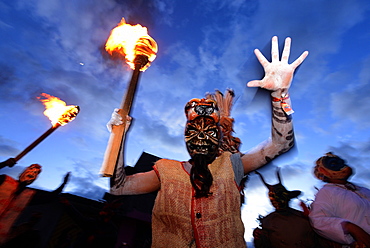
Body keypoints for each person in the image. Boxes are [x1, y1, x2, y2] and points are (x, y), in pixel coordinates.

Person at [108, 36, 308, 247]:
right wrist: (118, 136)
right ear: (185, 135)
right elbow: (119, 186)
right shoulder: (166, 171)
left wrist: (280, 94)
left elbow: (280, 144)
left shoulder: (232, 166)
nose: (202, 134)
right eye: (195, 128)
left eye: (209, 128)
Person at [309, 152, 370, 248]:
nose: (340, 165)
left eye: (339, 162)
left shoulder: (363, 190)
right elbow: (318, 220)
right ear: (323, 171)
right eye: (333, 164)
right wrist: (350, 227)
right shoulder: (327, 192)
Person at [0, 164, 70, 246]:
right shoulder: (4, 180)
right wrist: (5, 163)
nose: (33, 173)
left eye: (36, 173)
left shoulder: (28, 195)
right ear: (21, 173)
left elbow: (50, 197)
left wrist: (63, 184)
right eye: (31, 170)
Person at [253, 168, 321, 248]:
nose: (276, 201)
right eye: (272, 198)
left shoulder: (304, 217)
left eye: (279, 197)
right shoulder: (268, 221)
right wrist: (258, 238)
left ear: (288, 196)